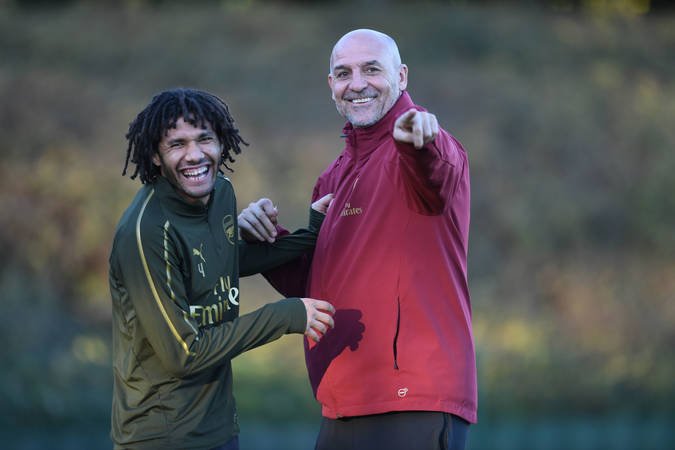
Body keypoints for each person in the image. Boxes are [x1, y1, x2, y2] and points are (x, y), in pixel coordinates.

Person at [238, 29, 476, 450]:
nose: (357, 83)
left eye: (372, 69)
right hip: (341, 402)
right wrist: (266, 239)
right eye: (344, 73)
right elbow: (315, 286)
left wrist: (421, 140)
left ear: (401, 76)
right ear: (331, 84)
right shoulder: (332, 176)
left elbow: (432, 168)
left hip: (414, 400)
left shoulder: (426, 146)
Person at [109, 87, 335, 450]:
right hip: (162, 437)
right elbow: (184, 353)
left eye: (204, 139)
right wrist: (286, 316)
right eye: (177, 144)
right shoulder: (146, 232)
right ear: (154, 155)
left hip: (220, 428)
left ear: (221, 143)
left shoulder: (221, 194)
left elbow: (221, 263)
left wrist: (311, 236)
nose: (195, 155)